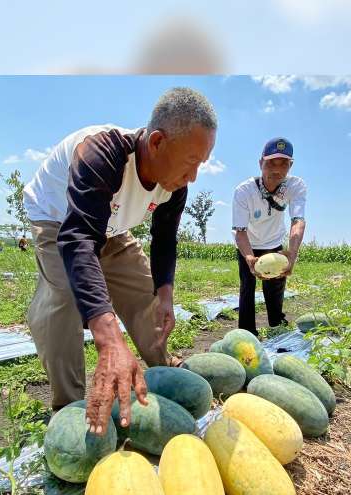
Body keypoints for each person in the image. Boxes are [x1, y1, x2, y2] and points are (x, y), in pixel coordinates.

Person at [24, 87, 217, 435]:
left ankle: (162, 367)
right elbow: (79, 238)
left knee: (145, 293)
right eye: (191, 162)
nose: (193, 176)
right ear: (156, 142)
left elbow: (164, 239)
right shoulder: (101, 153)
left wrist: (165, 294)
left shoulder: (175, 185)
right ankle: (68, 406)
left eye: (200, 165)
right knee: (65, 295)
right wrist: (109, 338)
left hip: (112, 227)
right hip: (60, 220)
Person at [232, 137, 307, 336]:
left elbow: (298, 221)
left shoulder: (296, 186)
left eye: (283, 163)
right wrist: (249, 257)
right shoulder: (244, 191)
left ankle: (276, 324)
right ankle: (247, 332)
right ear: (260, 163)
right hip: (248, 243)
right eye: (271, 163)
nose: (277, 169)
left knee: (275, 285)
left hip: (273, 242)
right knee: (247, 286)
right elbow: (240, 231)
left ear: (290, 166)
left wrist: (292, 253)